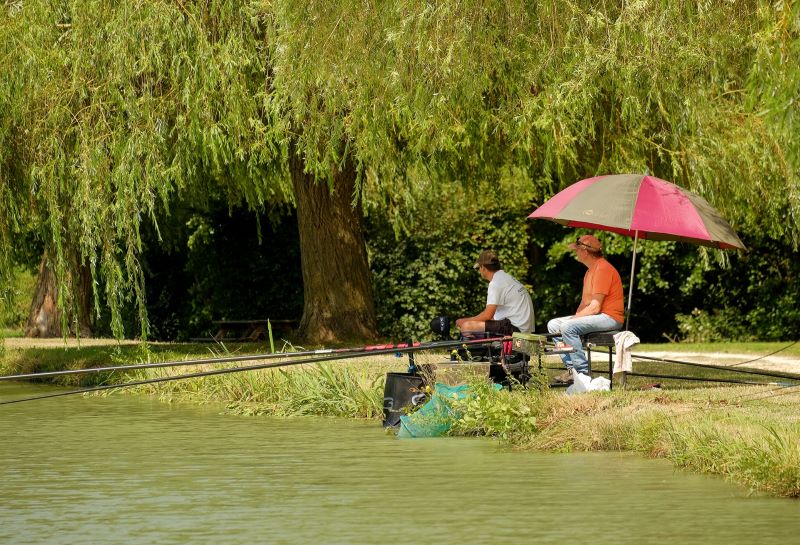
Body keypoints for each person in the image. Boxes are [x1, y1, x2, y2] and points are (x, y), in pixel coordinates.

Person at [548, 234, 624, 382]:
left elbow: (595, 307)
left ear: (585, 251)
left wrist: (571, 322)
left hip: (610, 317)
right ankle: (572, 370)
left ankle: (582, 373)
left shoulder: (602, 269)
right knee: (553, 325)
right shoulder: (589, 271)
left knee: (567, 327)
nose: (575, 252)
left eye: (577, 249)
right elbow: (584, 304)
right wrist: (573, 319)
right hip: (598, 316)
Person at [455, 250, 535, 336]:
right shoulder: (506, 277)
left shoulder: (495, 283)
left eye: (479, 268)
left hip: (515, 329)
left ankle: (474, 349)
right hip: (522, 328)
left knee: (467, 327)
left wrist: (465, 321)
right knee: (480, 324)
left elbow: (487, 315)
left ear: (483, 268)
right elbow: (493, 318)